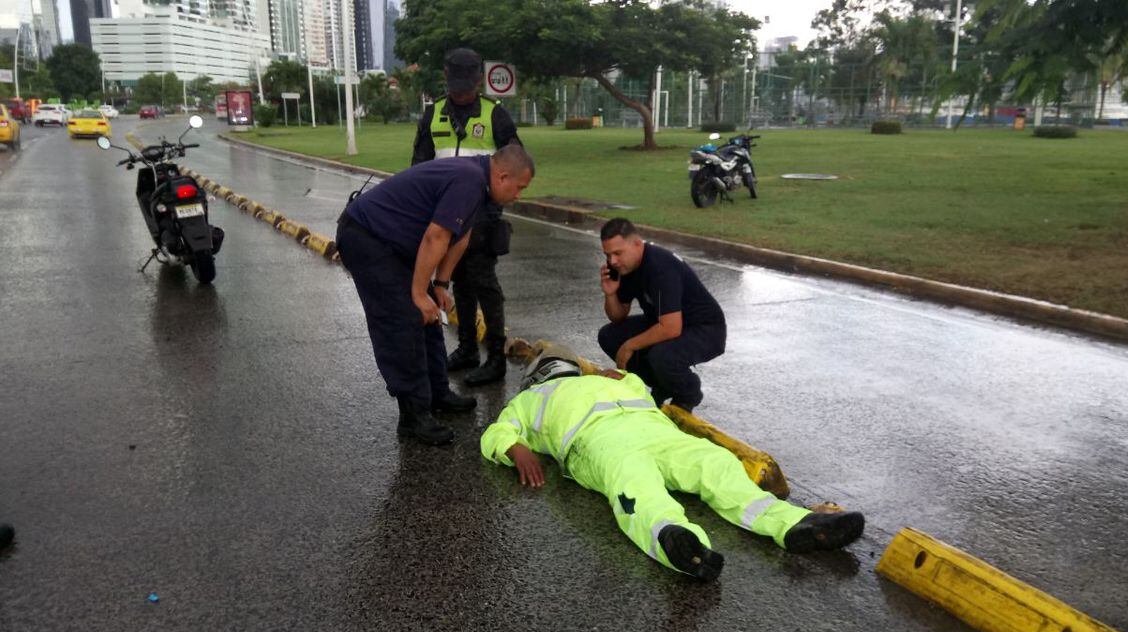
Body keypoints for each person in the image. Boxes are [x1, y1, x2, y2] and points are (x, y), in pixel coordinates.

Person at [480, 350, 865, 580]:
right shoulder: (532, 401)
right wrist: (516, 449)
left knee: (714, 463)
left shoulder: (612, 381)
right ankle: (677, 543)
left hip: (655, 433)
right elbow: (495, 433)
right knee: (634, 487)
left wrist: (622, 376)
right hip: (599, 443)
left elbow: (639, 386)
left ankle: (792, 524)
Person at [337, 143, 535, 445]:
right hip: (367, 237)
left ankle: (436, 393)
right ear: (503, 176)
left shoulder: (479, 185)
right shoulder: (469, 181)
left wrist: (440, 285)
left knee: (429, 317)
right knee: (403, 320)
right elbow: (436, 236)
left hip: (394, 243)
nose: (519, 195)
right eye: (519, 187)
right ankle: (413, 415)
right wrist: (418, 294)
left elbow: (460, 238)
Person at [412, 48, 522, 386]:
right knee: (458, 281)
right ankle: (467, 349)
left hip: (484, 215)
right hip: (447, 215)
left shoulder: (496, 115)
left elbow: (515, 160)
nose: (461, 91)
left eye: (467, 84)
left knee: (485, 283)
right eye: (454, 84)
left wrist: (496, 201)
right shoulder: (432, 115)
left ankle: (496, 359)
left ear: (478, 80)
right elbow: (419, 166)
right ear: (446, 77)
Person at [598, 218, 726, 411]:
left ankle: (688, 392)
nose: (612, 261)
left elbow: (671, 328)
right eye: (608, 255)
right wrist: (610, 294)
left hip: (705, 329)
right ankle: (662, 384)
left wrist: (629, 346)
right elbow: (618, 316)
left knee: (662, 356)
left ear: (637, 244)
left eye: (617, 253)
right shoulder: (625, 266)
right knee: (609, 336)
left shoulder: (660, 268)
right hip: (667, 323)